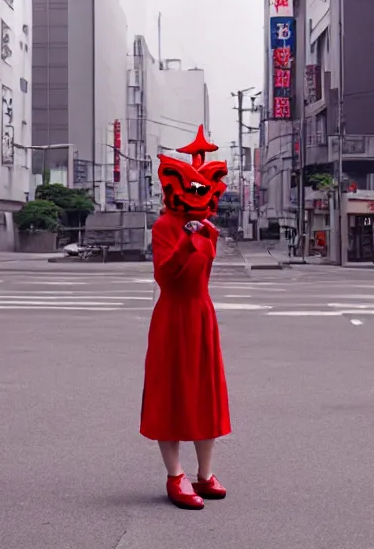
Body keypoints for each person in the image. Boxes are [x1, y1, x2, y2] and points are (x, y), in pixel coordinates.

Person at [140, 125, 232, 510]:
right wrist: (188, 239)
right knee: (172, 393)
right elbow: (165, 274)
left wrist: (202, 235)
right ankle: (175, 475)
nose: (198, 196)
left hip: (200, 312)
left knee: (205, 393)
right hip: (173, 314)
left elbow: (204, 270)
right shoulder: (163, 226)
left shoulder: (208, 227)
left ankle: (204, 473)